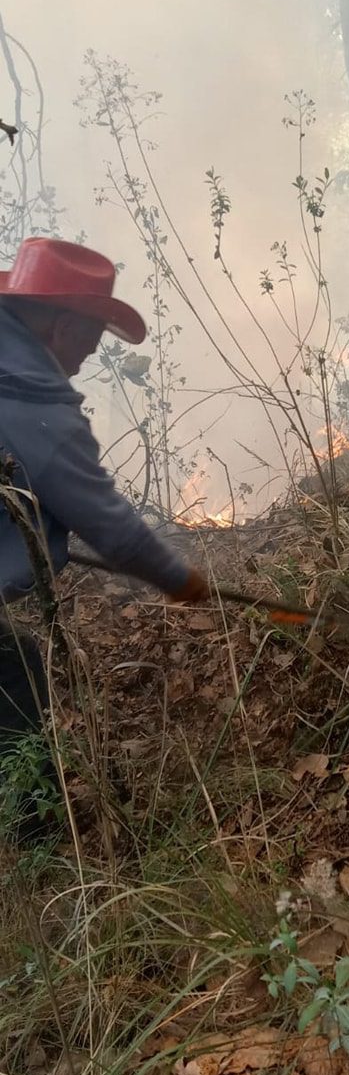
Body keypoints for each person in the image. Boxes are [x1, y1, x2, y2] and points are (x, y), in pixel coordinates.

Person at [0, 236, 210, 837]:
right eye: (94, 336)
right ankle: (37, 833)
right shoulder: (38, 405)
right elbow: (110, 524)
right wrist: (182, 579)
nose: (93, 353)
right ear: (63, 324)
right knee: (14, 671)